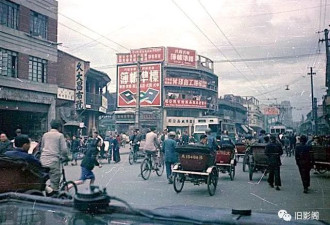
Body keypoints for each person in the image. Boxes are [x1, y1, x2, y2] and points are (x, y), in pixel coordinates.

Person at [40, 120, 68, 194]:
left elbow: (42, 147)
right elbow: (64, 150)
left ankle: (46, 189)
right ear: (59, 127)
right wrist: (65, 157)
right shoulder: (60, 135)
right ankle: (53, 195)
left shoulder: (45, 135)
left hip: (43, 160)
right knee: (55, 181)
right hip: (54, 160)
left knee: (43, 179)